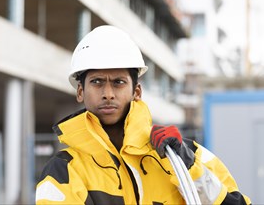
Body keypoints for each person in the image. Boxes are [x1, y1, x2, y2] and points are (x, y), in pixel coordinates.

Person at [35, 25, 251, 204]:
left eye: (119, 82)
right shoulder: (64, 170)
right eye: (97, 82)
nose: (108, 94)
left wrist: (188, 168)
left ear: (136, 92)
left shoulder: (185, 156)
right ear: (80, 91)